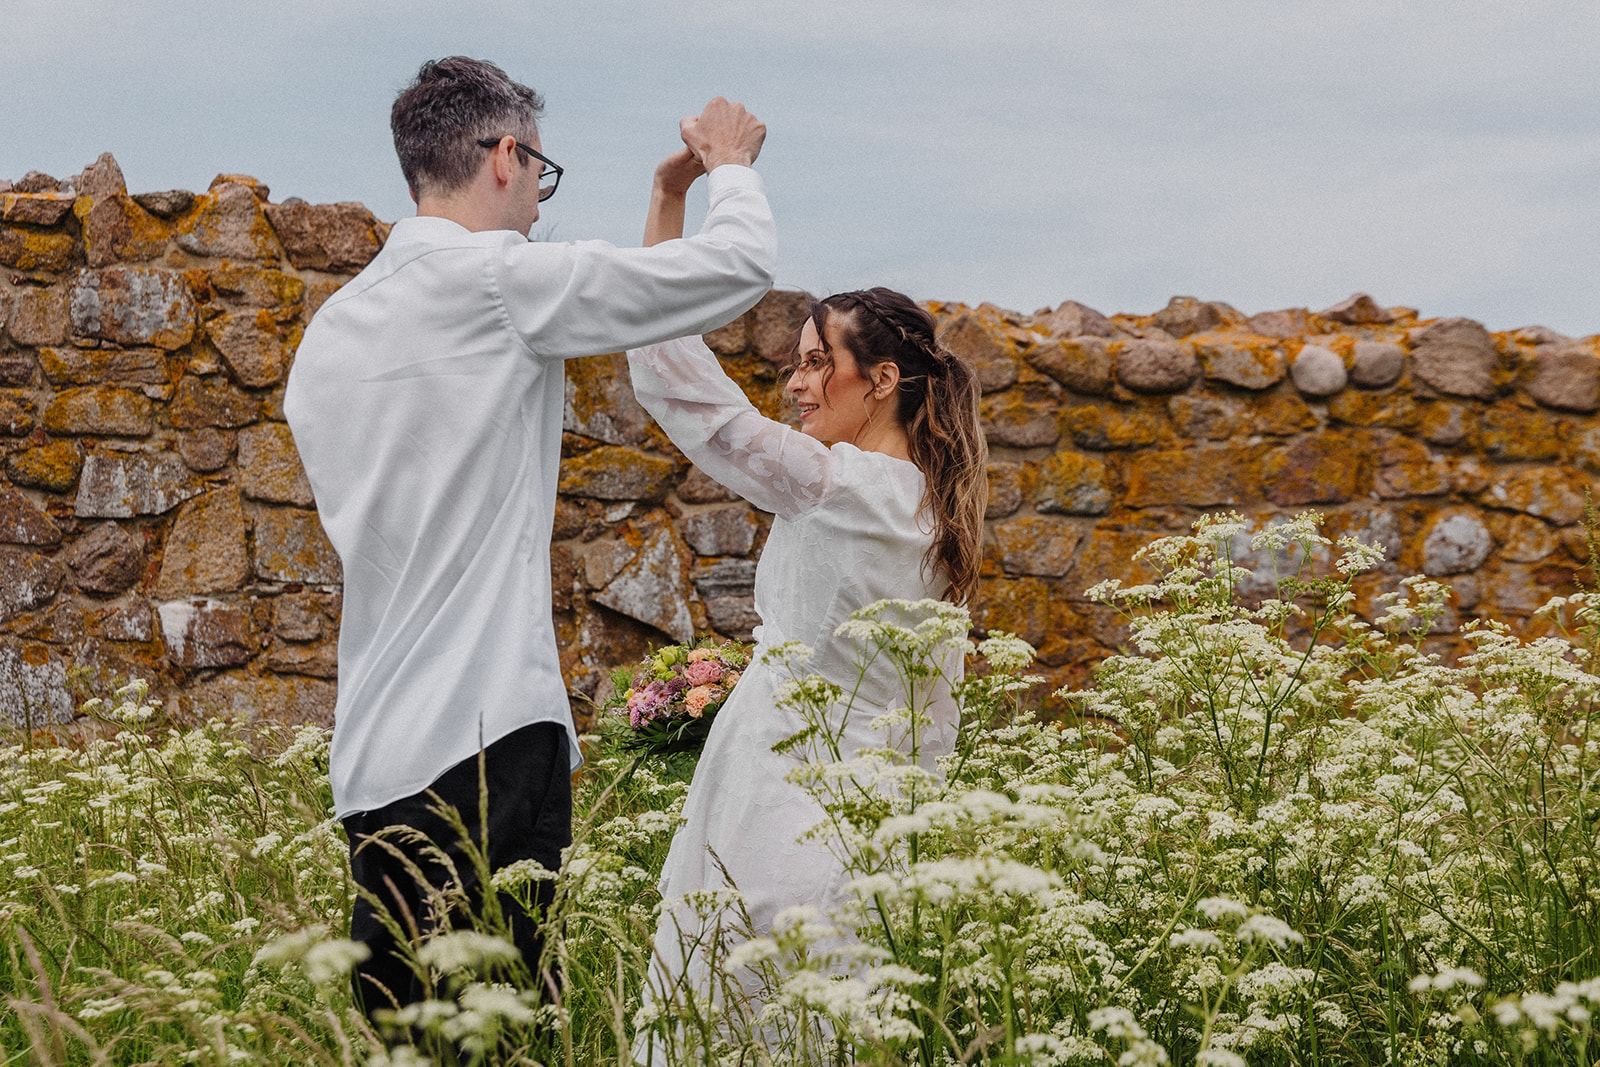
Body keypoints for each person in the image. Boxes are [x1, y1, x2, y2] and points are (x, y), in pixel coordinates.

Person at [281, 57, 775, 1022]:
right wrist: (730, 167)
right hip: (487, 736)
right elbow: (736, 270)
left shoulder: (329, 335)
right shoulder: (496, 282)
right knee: (498, 1034)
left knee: (410, 1036)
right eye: (540, 178)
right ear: (507, 155)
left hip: (374, 753)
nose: (539, 210)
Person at [625, 149, 988, 1053]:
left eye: (818, 363)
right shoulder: (934, 510)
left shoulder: (842, 484)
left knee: (735, 1021)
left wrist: (671, 196)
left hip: (777, 810)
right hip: (872, 822)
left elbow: (678, 383)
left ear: (882, 380)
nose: (795, 383)